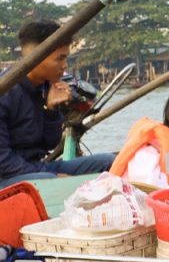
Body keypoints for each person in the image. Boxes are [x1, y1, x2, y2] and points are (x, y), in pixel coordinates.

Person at [0, 20, 116, 188]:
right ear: (36, 57)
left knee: (108, 162)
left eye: (66, 58)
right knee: (50, 179)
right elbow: (3, 162)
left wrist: (52, 110)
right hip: (8, 177)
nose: (65, 65)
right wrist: (53, 176)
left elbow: (49, 144)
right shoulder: (5, 91)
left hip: (38, 168)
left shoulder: (47, 86)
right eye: (60, 58)